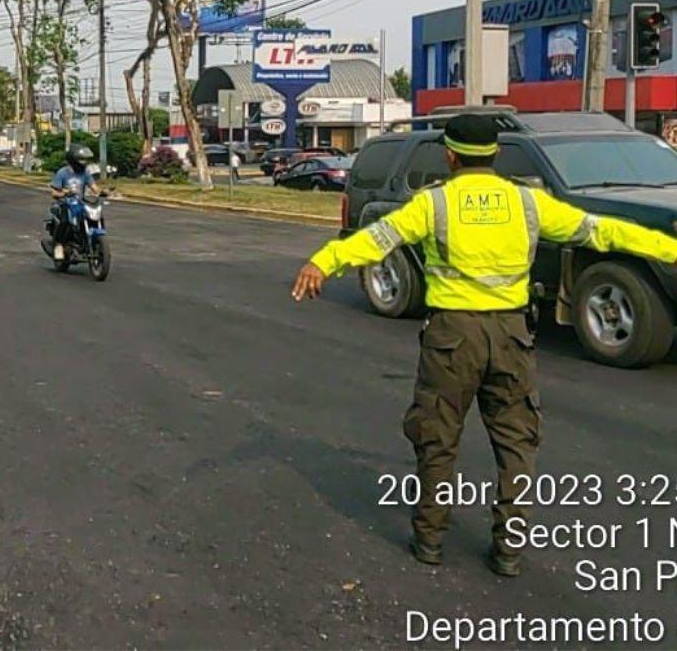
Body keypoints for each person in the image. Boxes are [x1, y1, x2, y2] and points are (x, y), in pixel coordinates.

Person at [290, 114, 677, 577]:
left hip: (451, 338)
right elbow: (602, 230)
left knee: (437, 437)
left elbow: (376, 240)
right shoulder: (528, 203)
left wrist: (323, 262)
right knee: (516, 443)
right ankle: (509, 549)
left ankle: (430, 540)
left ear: (450, 156)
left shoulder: (433, 204)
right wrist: (670, 249)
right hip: (512, 336)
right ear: (495, 154)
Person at [45, 145, 101, 261]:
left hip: (80, 203)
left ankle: (86, 241)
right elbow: (54, 192)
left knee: (94, 215)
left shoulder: (85, 173)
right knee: (65, 221)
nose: (84, 162)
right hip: (64, 203)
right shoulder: (63, 172)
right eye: (81, 159)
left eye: (85, 160)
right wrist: (63, 193)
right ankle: (59, 245)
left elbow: (94, 187)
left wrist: (102, 192)